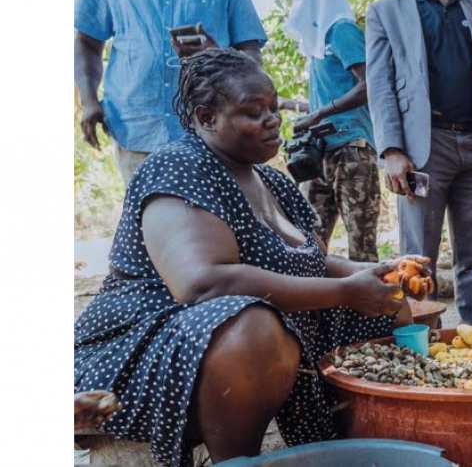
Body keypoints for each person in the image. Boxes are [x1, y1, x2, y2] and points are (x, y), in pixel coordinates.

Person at [74, 49, 427, 467]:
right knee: (254, 326)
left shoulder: (272, 181)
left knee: (393, 305)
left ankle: (373, 443)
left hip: (251, 332)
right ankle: (236, 461)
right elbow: (202, 283)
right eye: (253, 111)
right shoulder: (178, 168)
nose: (272, 119)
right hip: (147, 345)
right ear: (207, 118)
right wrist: (343, 292)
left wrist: (379, 273)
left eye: (273, 107)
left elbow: (310, 262)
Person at [366, 0, 472, 326]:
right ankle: (423, 342)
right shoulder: (386, 11)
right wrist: (391, 149)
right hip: (422, 150)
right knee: (417, 258)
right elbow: (379, 84)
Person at [73, 0, 267, 185]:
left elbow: (250, 50)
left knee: (214, 213)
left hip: (213, 131)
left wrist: (219, 57)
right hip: (137, 128)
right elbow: (86, 43)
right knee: (148, 212)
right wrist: (89, 101)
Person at [285, 0, 381, 262]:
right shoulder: (317, 42)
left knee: (361, 246)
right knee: (308, 240)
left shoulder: (341, 31)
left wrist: (318, 115)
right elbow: (329, 97)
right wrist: (291, 106)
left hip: (352, 149)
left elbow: (369, 85)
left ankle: (367, 305)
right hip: (319, 153)